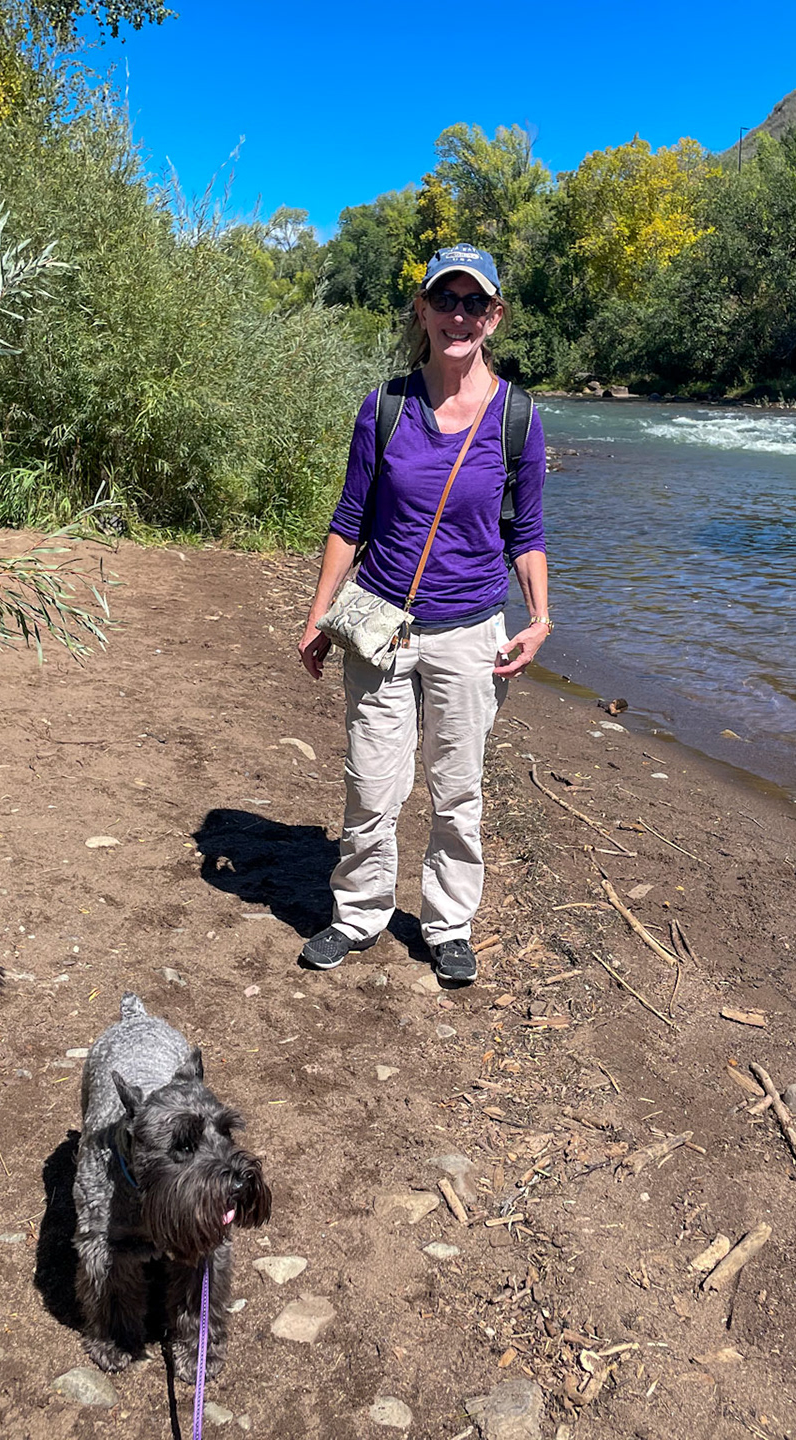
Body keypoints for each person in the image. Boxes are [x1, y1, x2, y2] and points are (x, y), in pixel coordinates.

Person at [296, 243, 550, 985]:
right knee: (371, 787)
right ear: (424, 311)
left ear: (495, 316)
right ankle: (358, 915)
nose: (459, 316)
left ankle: (447, 925)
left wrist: (539, 618)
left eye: (475, 303)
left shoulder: (519, 418)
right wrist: (317, 618)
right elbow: (350, 521)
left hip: (472, 630)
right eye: (447, 301)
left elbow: (527, 535)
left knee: (457, 789)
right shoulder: (384, 406)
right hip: (380, 623)